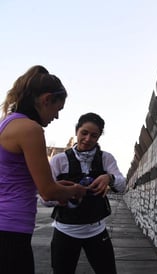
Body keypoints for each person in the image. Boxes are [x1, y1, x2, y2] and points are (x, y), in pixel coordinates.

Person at [0, 65, 88, 274]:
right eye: (57, 109)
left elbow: (19, 179)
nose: (56, 117)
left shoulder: (7, 123)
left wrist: (59, 187)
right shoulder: (30, 129)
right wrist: (76, 190)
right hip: (12, 229)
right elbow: (48, 191)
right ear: (46, 99)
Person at [48, 112, 126, 274]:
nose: (88, 139)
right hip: (65, 230)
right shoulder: (59, 160)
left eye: (94, 136)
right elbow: (44, 197)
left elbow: (122, 184)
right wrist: (64, 195)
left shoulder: (106, 158)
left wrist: (109, 178)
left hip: (96, 230)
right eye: (84, 133)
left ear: (98, 138)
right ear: (76, 131)